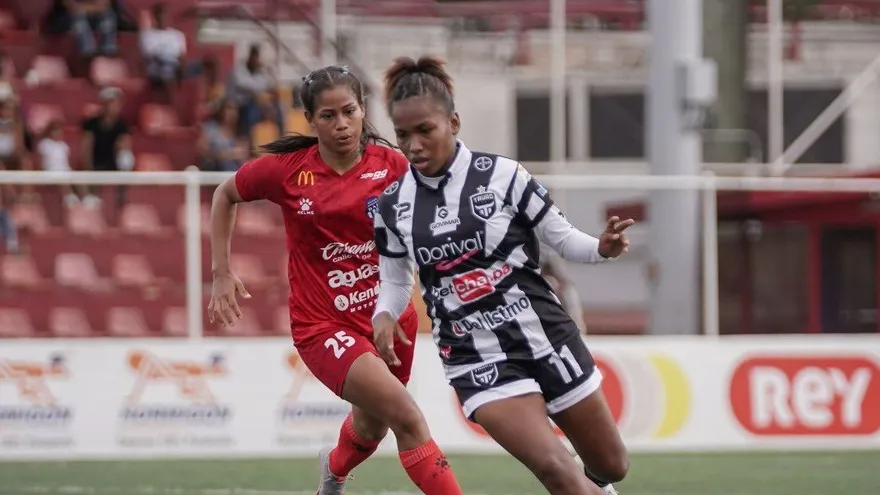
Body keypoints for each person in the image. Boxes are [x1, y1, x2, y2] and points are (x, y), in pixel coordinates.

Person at [372, 56, 633, 495]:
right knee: (555, 469)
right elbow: (397, 281)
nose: (413, 145)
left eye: (425, 130)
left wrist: (601, 248)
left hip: (546, 336)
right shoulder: (392, 204)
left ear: (453, 122)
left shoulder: (503, 176)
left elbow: (563, 238)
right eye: (402, 135)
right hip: (475, 355)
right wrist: (384, 313)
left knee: (611, 465)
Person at [207, 65, 464, 495]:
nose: (341, 124)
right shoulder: (287, 171)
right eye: (328, 116)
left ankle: (333, 468)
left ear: (363, 110)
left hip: (389, 318)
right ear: (310, 120)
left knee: (373, 425)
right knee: (408, 416)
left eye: (349, 111)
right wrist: (220, 272)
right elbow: (224, 194)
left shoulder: (394, 166)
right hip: (324, 326)